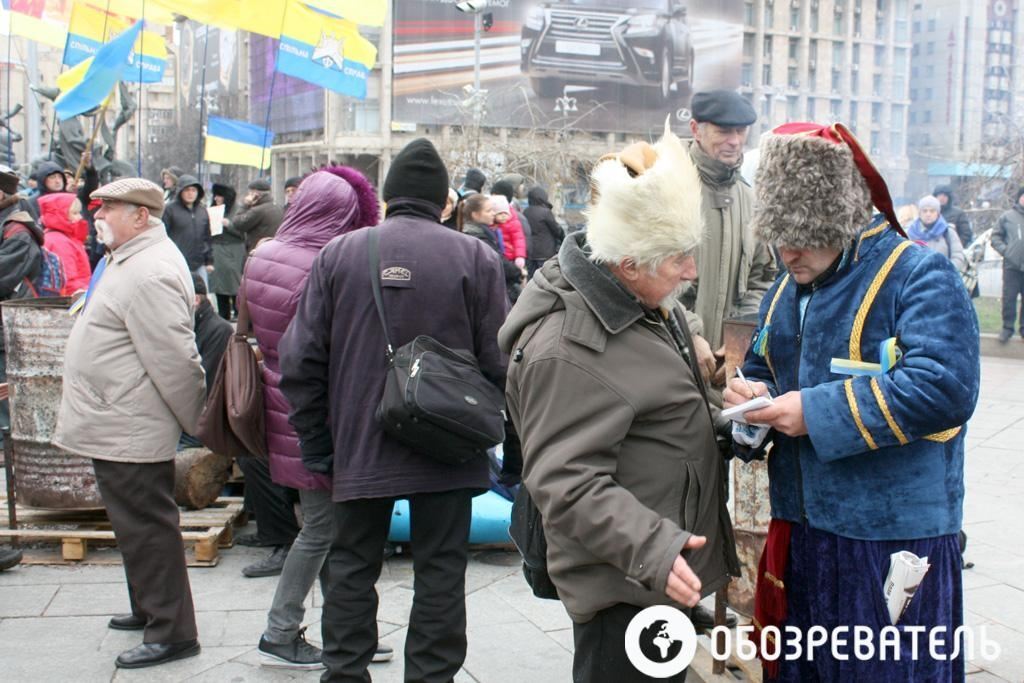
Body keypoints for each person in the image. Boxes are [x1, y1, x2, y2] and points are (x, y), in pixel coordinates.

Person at [724, 122, 979, 681]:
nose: (786, 252)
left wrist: (812, 412)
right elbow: (764, 371)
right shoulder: (784, 292)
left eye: (802, 235)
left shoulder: (917, 273)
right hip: (803, 533)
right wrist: (750, 400)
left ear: (836, 219)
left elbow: (946, 387)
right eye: (778, 235)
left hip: (893, 540)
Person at [498, 129, 739, 683]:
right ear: (628, 264)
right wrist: (656, 550)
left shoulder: (645, 302)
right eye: (678, 258)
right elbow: (566, 481)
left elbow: (656, 399)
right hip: (626, 588)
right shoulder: (569, 348)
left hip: (657, 576)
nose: (692, 271)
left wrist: (726, 402)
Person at [278, 138, 508, 682]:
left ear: (386, 198)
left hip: (359, 441)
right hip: (450, 443)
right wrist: (508, 445)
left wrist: (318, 442)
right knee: (442, 572)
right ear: (443, 203)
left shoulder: (340, 253)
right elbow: (502, 361)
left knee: (352, 567)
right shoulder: (475, 256)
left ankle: (346, 674)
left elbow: (299, 358)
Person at [53, 178, 207, 669]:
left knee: (148, 529)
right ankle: (149, 607)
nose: (98, 216)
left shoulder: (150, 271)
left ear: (141, 216)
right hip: (116, 418)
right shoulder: (130, 258)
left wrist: (198, 422)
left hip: (131, 424)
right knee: (132, 525)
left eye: (110, 209)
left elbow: (176, 360)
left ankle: (173, 632)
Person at [244, 166, 392, 669]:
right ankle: (279, 631)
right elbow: (332, 347)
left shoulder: (263, 254)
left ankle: (346, 632)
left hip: (282, 407)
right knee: (323, 529)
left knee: (328, 524)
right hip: (319, 413)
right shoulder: (323, 264)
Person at [685, 89, 778, 392]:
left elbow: (762, 276)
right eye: (724, 131)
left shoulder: (749, 199)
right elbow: (638, 278)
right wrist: (689, 334)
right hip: (667, 357)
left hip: (724, 375)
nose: (735, 141)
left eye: (741, 131)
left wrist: (737, 339)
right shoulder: (666, 189)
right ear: (696, 130)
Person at [0, 166, 42, 482]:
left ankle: (9, 467)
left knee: (5, 402)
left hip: (6, 331)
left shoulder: (18, 231)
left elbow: (4, 277)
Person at [458, 193, 523, 302]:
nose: (493, 214)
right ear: (475, 215)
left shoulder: (484, 232)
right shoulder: (478, 237)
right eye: (488, 211)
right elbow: (497, 262)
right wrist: (518, 272)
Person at [162, 174, 213, 289]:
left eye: (194, 190)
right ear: (180, 191)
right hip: (177, 263)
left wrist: (209, 261)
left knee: (202, 297)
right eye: (187, 190)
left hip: (199, 263)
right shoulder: (170, 209)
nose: (190, 193)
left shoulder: (202, 211)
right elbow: (163, 235)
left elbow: (207, 237)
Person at [992, 186, 1024, 344]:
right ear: (1019, 198)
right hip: (1012, 266)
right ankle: (1007, 328)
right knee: (1009, 298)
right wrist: (1007, 251)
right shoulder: (1007, 217)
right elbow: (995, 237)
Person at [209, 183, 245, 320]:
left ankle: (237, 311)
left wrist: (229, 224)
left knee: (234, 281)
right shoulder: (214, 208)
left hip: (233, 249)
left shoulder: (238, 210)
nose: (217, 198)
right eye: (216, 196)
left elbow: (243, 232)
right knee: (219, 284)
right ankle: (223, 312)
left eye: (220, 196)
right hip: (217, 247)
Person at [907, 195, 966, 272]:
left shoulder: (948, 232)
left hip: (943, 280)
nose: (928, 214)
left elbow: (958, 256)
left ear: (938, 213)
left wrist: (947, 271)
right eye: (925, 211)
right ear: (919, 213)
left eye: (932, 211)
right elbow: (904, 260)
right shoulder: (910, 234)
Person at [232, 178, 283, 253]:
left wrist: (245, 205)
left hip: (257, 250)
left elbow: (237, 223)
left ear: (256, 194)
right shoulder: (278, 207)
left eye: (250, 193)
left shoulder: (257, 210)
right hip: (274, 249)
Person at [523, 185, 562, 276]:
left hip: (531, 252)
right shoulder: (546, 212)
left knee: (532, 278)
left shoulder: (526, 211)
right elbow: (556, 230)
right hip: (545, 252)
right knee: (545, 277)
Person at [934, 183, 973, 249]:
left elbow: (966, 234)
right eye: (939, 195)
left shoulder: (958, 213)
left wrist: (956, 247)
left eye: (945, 195)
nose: (942, 198)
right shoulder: (930, 213)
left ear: (949, 198)